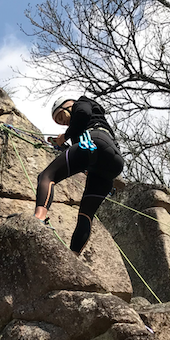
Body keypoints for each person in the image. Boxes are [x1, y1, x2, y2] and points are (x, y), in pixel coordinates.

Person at [34, 95, 124, 254]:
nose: (64, 122)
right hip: (111, 163)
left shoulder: (81, 103)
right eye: (60, 122)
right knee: (86, 213)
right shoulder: (82, 127)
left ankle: (38, 219)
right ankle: (74, 256)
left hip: (95, 140)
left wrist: (66, 135)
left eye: (61, 117)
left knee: (47, 176)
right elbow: (78, 154)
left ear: (68, 105)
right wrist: (63, 145)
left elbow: (82, 113)